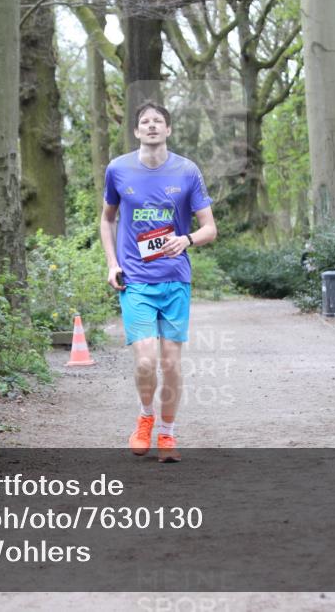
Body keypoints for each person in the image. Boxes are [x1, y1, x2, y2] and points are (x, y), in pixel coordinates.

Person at [99, 101, 217, 463]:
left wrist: (187, 240)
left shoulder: (187, 171)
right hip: (136, 281)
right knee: (146, 361)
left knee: (171, 364)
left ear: (168, 130)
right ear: (137, 131)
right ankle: (145, 417)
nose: (151, 126)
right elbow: (107, 220)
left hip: (175, 280)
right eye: (145, 122)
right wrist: (111, 263)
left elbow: (210, 228)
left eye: (158, 122)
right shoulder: (118, 170)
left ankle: (166, 433)